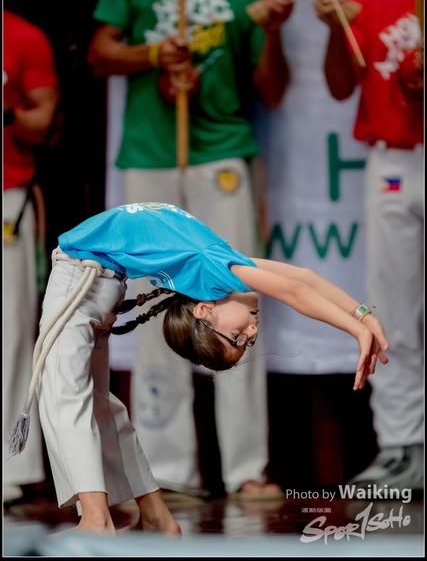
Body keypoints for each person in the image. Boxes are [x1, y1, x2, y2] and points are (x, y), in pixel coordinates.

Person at [7, 201, 389, 534]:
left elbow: (299, 287)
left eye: (238, 339)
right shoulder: (219, 263)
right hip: (96, 280)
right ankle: (155, 517)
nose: (252, 332)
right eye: (245, 341)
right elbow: (300, 282)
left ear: (205, 312)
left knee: (65, 397)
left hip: (83, 275)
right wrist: (361, 319)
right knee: (96, 405)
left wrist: (359, 321)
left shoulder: (213, 269)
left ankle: (96, 520)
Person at [86, 0, 293, 498]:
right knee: (156, 307)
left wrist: (271, 34)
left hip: (220, 152)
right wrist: (155, 54)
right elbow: (100, 54)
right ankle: (169, 471)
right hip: (152, 157)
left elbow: (272, 90)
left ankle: (247, 468)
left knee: (235, 302)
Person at [313, 0, 424, 492]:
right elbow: (337, 86)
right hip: (395, 164)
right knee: (394, 310)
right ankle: (404, 444)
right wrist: (337, 29)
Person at [3, 9, 60, 503]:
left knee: (11, 332)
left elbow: (43, 122)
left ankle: (9, 467)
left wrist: (5, 110)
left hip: (7, 193)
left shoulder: (22, 35)